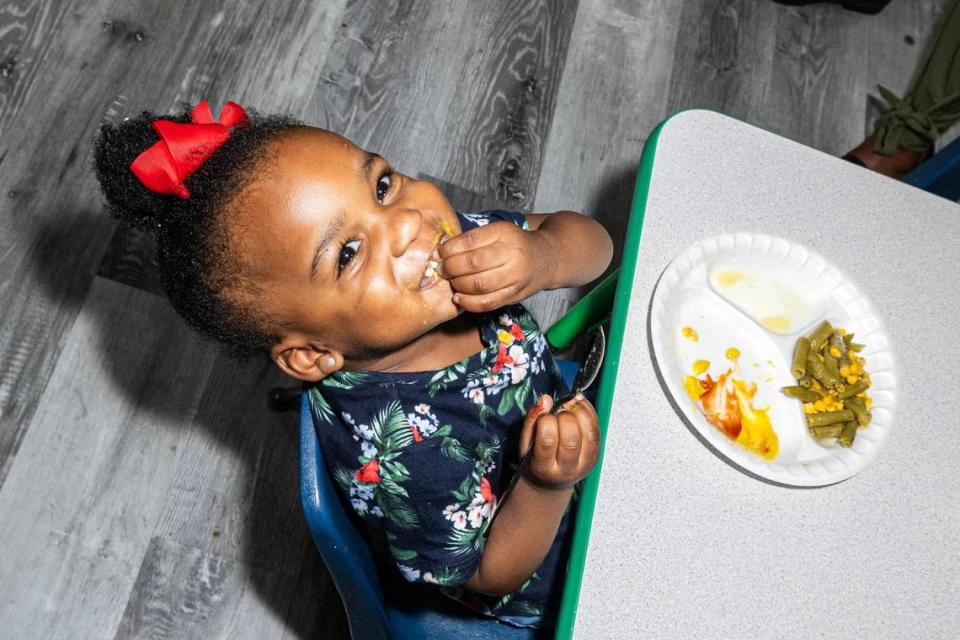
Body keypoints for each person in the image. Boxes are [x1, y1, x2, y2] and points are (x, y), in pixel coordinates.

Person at [94, 100, 613, 629]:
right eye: (348, 253)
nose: (408, 224)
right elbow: (490, 574)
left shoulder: (459, 244)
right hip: (564, 571)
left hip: (589, 428)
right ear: (313, 354)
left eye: (383, 186)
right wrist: (547, 484)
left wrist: (544, 254)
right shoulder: (401, 456)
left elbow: (598, 248)